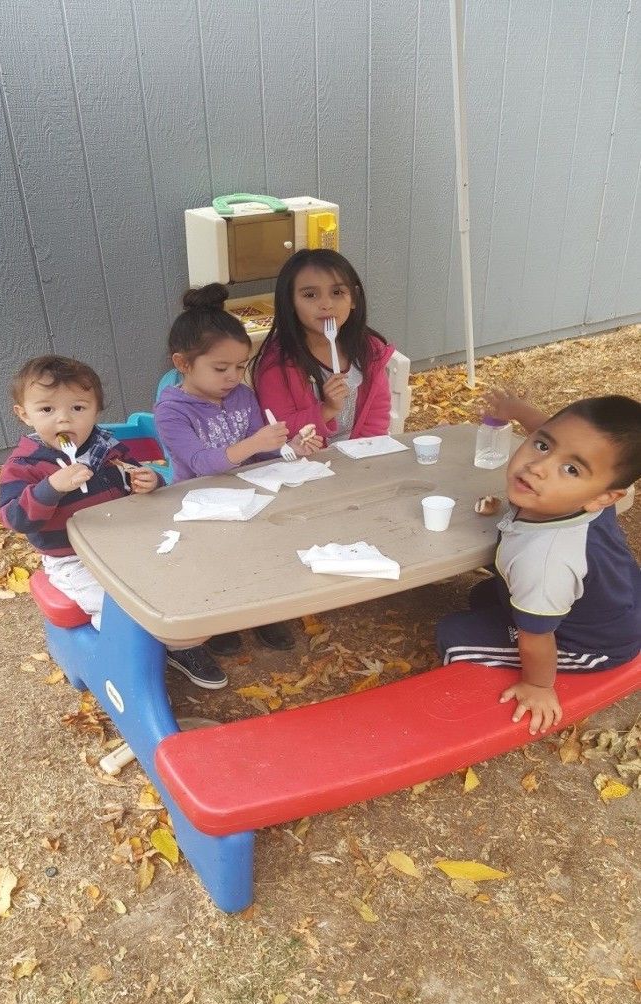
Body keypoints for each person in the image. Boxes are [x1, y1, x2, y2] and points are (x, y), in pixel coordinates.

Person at [0, 355, 227, 690]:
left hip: (125, 543)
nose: (63, 419)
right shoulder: (25, 465)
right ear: (24, 414)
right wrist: (51, 488)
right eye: (47, 410)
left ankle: (183, 646)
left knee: (174, 578)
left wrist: (148, 481)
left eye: (78, 408)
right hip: (72, 558)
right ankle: (127, 661)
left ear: (95, 410)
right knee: (118, 606)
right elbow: (13, 516)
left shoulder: (106, 448)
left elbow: (131, 473)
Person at [436, 392, 641, 735]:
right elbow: (559, 439)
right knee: (485, 595)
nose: (538, 467)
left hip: (592, 646)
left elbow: (537, 638)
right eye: (542, 446)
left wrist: (539, 686)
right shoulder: (579, 496)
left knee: (454, 633)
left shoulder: (544, 561)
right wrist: (517, 410)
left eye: (571, 469)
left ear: (603, 497)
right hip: (616, 600)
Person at [154, 284, 323, 658]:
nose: (233, 376)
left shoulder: (242, 396)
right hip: (198, 501)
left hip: (248, 493)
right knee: (213, 564)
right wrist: (258, 443)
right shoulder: (171, 411)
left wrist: (291, 449)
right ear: (182, 363)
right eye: (220, 368)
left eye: (241, 367)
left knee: (263, 553)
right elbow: (200, 463)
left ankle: (262, 613)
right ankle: (219, 622)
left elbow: (258, 457)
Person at [251, 248, 395, 442]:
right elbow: (279, 431)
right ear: (290, 302)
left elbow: (376, 420)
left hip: (359, 458)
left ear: (354, 297)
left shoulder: (369, 350)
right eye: (310, 295)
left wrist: (364, 460)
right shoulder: (277, 365)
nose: (326, 304)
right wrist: (327, 409)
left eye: (337, 292)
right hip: (306, 464)